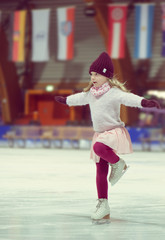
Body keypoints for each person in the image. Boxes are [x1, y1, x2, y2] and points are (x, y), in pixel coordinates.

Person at [55, 52, 160, 223]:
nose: (93, 77)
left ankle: (119, 164)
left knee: (99, 148)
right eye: (91, 74)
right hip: (100, 134)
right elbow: (79, 98)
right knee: (100, 171)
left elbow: (129, 98)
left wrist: (144, 102)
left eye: (96, 74)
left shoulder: (114, 92)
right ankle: (103, 205)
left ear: (106, 75)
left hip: (113, 132)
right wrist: (66, 100)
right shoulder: (91, 93)